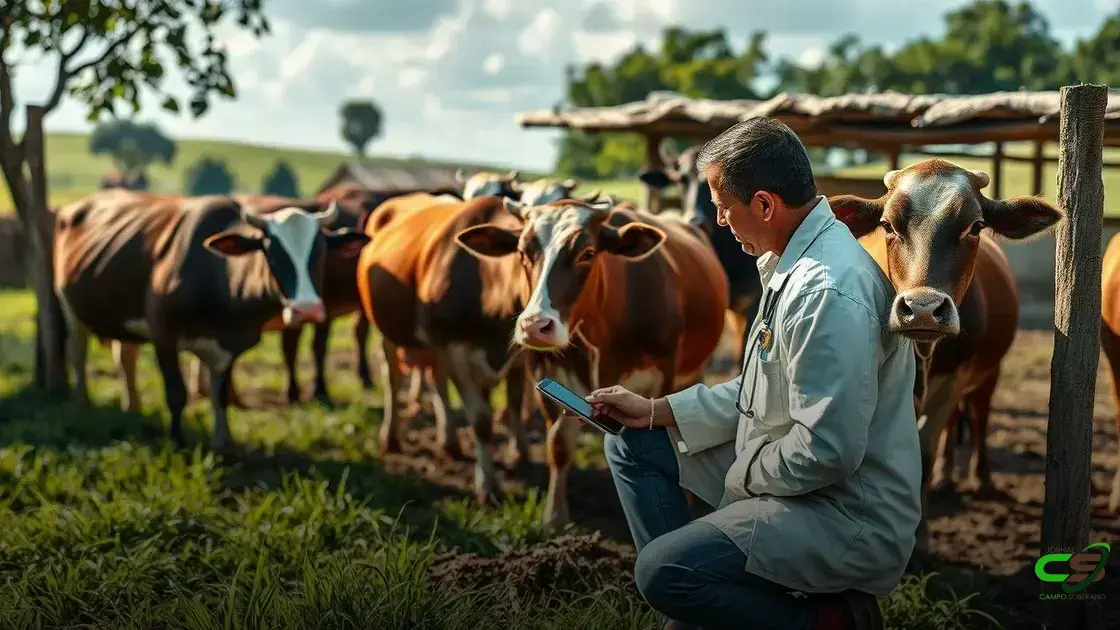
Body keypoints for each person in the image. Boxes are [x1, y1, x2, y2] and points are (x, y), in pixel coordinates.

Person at [583, 117, 923, 630]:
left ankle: (831, 621)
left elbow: (827, 451)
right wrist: (658, 410)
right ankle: (700, 609)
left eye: (723, 204)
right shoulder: (791, 260)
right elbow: (764, 389)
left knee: (661, 571)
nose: (717, 220)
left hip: (845, 512)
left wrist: (739, 479)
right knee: (632, 441)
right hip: (789, 469)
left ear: (764, 204)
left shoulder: (826, 290)